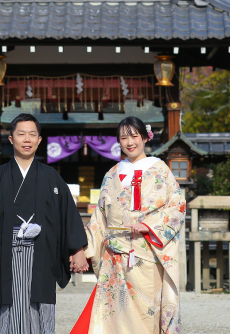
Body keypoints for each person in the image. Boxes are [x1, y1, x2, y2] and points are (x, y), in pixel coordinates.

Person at [0, 113, 89, 334]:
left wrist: (78, 249)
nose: (27, 139)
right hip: (1, 256)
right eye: (21, 134)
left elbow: (67, 214)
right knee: (0, 306)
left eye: (32, 134)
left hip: (41, 256)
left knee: (38, 306)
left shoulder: (52, 178)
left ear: (40, 140)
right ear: (11, 139)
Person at [72, 116, 186, 334]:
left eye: (134, 136)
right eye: (124, 137)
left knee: (146, 311)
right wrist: (82, 249)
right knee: (115, 315)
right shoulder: (112, 173)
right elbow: (99, 219)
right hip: (115, 257)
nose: (129, 142)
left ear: (145, 137)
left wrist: (151, 226)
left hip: (147, 253)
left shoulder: (159, 169)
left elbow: (177, 206)